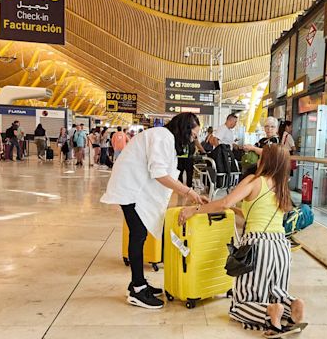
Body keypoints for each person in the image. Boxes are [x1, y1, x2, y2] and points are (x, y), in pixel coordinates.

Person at [178, 144, 305, 336]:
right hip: (280, 247)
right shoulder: (282, 188)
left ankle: (268, 311)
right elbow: (252, 213)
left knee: (240, 304)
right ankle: (292, 304)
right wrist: (230, 209)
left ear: (264, 161)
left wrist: (192, 210)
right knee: (274, 291)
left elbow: (224, 202)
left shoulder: (254, 181)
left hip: (258, 246)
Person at [101, 112, 207, 309]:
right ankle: (138, 289)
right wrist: (189, 192)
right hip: (130, 189)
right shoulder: (162, 136)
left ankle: (137, 282)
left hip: (134, 188)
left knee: (139, 235)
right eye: (193, 135)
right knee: (138, 234)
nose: (193, 140)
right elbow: (159, 173)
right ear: (184, 130)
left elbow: (164, 174)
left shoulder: (164, 138)